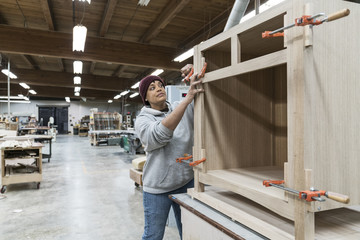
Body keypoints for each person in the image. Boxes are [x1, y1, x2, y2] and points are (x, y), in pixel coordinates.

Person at [135, 66, 204, 240]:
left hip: (185, 181)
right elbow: (159, 136)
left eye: (160, 85)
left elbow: (203, 94)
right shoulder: (143, 120)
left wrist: (194, 68)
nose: (158, 88)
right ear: (146, 98)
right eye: (152, 88)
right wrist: (187, 99)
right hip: (158, 188)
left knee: (188, 232)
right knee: (153, 235)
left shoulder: (179, 107)